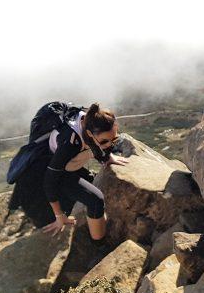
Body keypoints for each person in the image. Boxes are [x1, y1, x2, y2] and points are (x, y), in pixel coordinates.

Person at [9, 102, 126, 241]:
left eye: (114, 139)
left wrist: (108, 157)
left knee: (90, 185)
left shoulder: (92, 123)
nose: (109, 144)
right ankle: (99, 245)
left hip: (67, 164)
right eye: (105, 142)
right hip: (48, 168)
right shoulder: (69, 142)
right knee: (95, 200)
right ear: (89, 133)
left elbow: (102, 143)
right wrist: (60, 217)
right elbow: (50, 181)